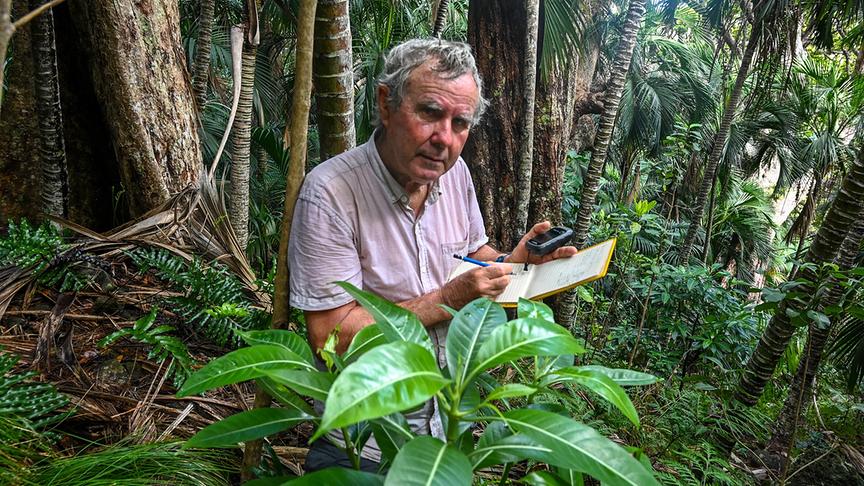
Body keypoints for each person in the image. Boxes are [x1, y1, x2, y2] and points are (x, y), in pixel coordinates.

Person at [287, 38, 577, 472]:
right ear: (386, 104)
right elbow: (332, 336)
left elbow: (471, 253)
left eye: (460, 123)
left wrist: (513, 262)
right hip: (362, 442)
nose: (444, 139)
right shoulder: (330, 194)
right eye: (430, 113)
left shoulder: (455, 173)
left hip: (443, 433)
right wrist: (449, 298)